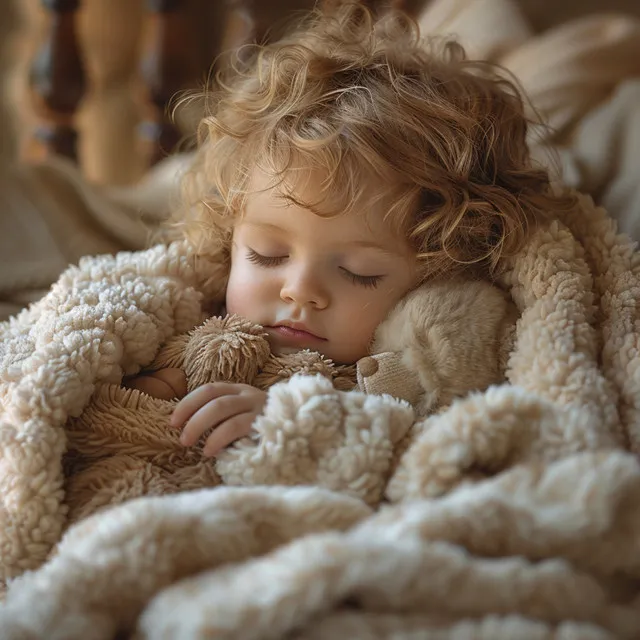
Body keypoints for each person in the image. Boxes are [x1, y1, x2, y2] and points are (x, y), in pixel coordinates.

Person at [125, 2, 574, 457]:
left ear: (440, 269)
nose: (299, 292)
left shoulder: (425, 368)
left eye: (360, 272)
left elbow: (445, 442)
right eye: (266, 254)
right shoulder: (202, 320)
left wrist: (304, 425)